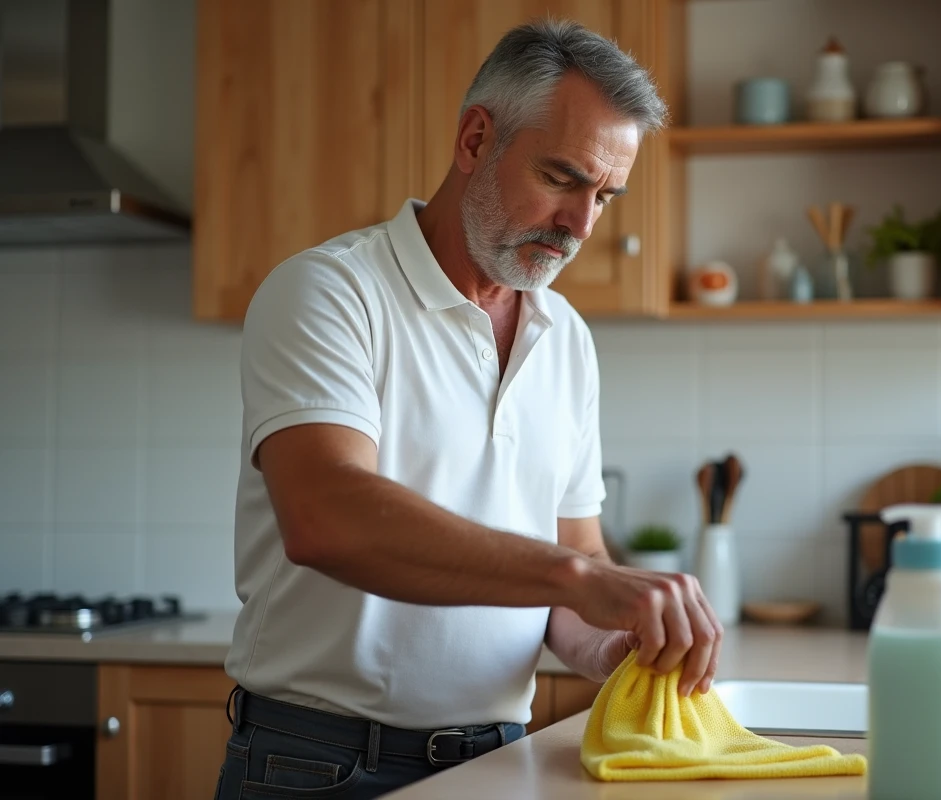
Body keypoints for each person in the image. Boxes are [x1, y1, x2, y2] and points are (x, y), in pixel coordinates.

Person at [213, 18, 723, 799]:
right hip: (316, 764)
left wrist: (618, 639)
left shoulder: (566, 338)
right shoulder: (329, 294)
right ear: (476, 139)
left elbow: (573, 576)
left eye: (605, 196)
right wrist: (579, 577)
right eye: (562, 178)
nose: (581, 225)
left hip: (498, 762)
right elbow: (325, 516)